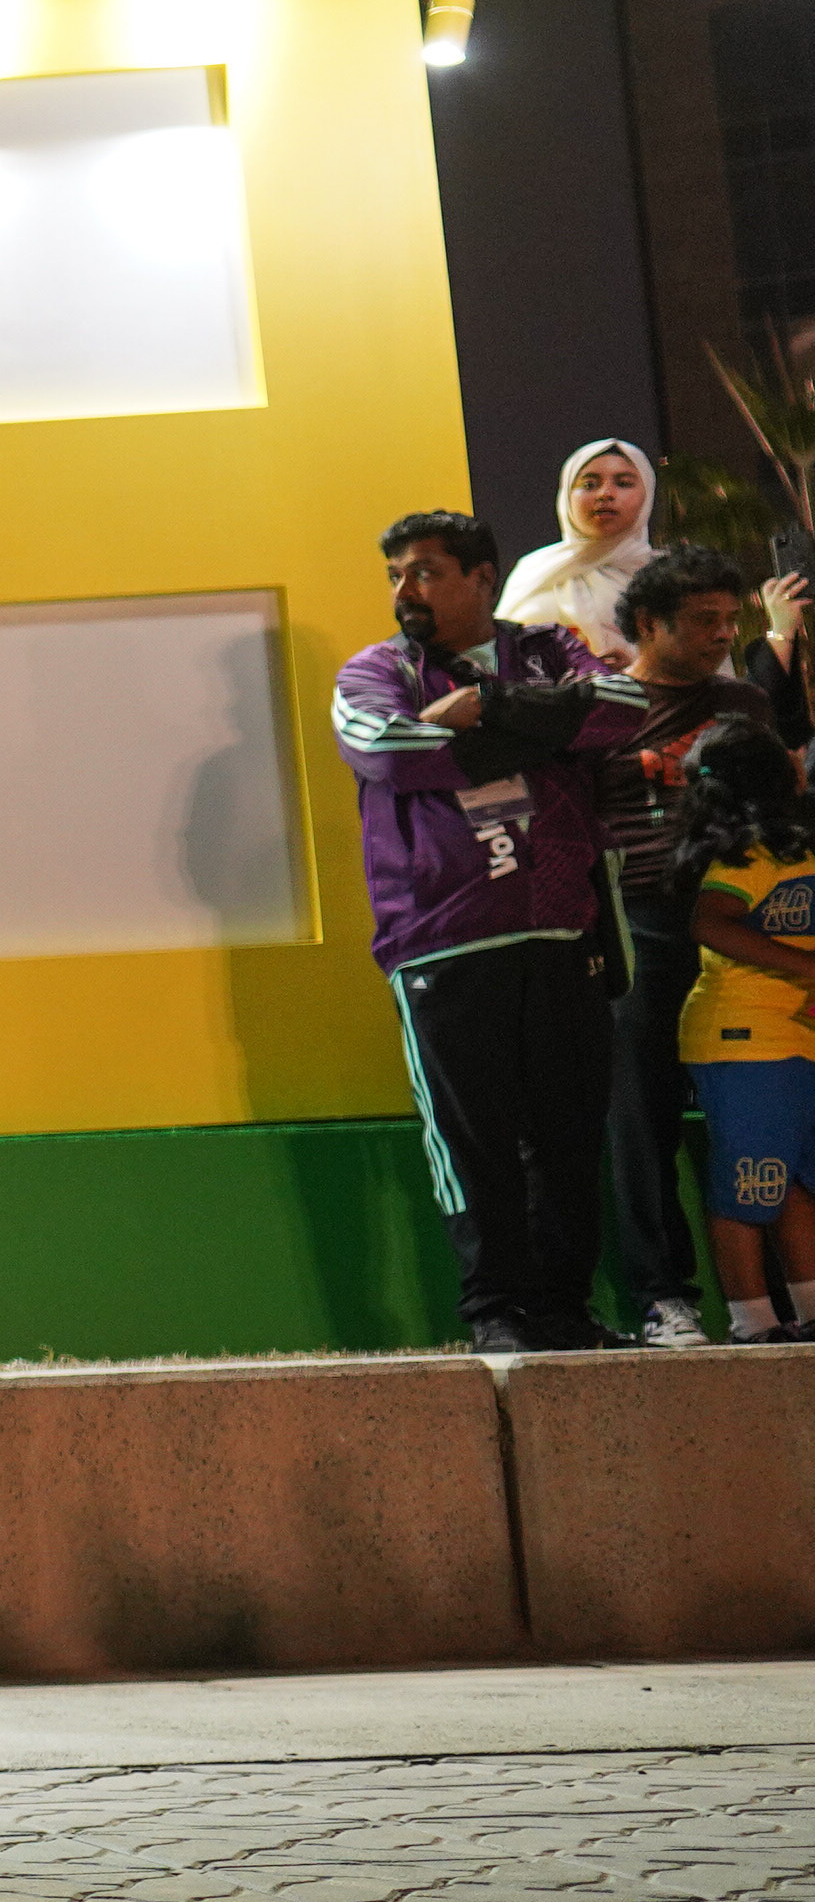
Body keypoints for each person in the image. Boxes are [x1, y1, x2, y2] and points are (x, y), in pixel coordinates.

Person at [338, 511, 642, 1354]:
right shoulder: (375, 670)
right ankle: (496, 1315)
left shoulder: (546, 648)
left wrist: (486, 706)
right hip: (442, 942)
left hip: (560, 937)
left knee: (569, 1139)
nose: (405, 591)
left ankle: (564, 1312)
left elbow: (621, 708)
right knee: (473, 1146)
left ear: (481, 576)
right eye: (396, 575)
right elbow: (392, 751)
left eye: (426, 572)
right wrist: (541, 733)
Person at [585, 548, 796, 1349]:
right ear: (648, 623)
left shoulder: (743, 701)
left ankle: (780, 1296)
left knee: (760, 1113)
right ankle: (660, 1297)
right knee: (640, 1118)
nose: (721, 633)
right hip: (639, 922)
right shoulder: (600, 708)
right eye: (703, 620)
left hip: (743, 922)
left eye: (728, 619)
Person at [667, 726, 814, 1339]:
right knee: (750, 1182)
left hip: (790, 1041)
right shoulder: (746, 860)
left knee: (793, 1181)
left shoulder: (793, 853)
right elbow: (711, 923)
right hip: (746, 1040)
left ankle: (808, 1312)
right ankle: (752, 1322)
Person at [495, 437, 661, 663]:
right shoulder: (534, 570)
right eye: (589, 485)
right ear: (566, 496)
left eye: (623, 483)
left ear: (647, 494)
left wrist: (636, 670)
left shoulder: (667, 578)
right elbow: (502, 661)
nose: (605, 494)